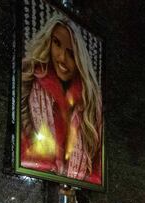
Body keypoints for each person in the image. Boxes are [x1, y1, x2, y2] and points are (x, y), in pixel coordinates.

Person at [20, 14, 103, 184]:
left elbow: (97, 170)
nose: (62, 58)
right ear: (48, 42)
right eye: (57, 43)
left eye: (71, 54)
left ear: (80, 60)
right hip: (36, 182)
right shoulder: (29, 81)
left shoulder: (91, 102)